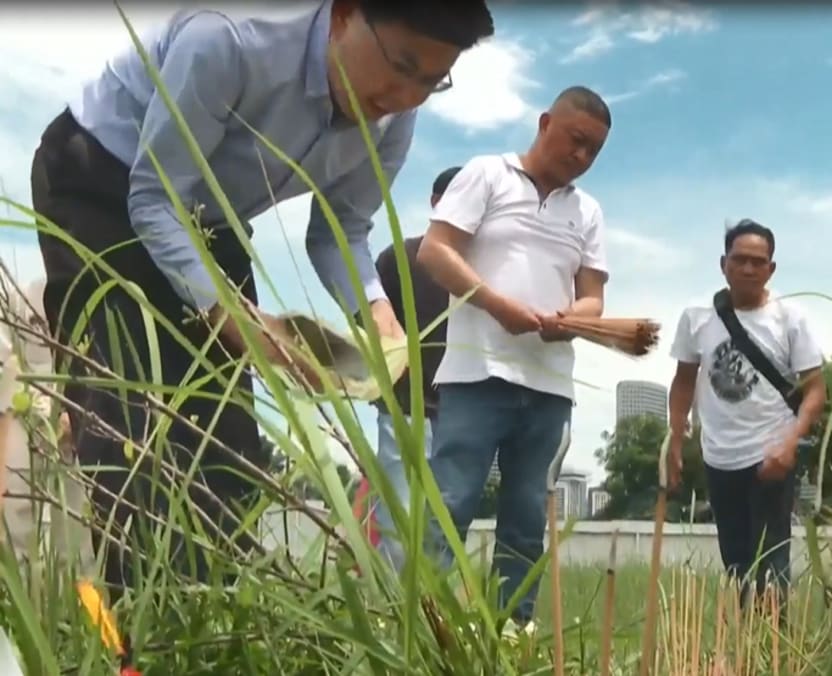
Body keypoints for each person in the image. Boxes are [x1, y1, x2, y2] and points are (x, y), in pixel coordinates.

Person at [30, 0, 494, 599]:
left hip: (210, 212)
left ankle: (219, 612)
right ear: (346, 14)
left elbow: (341, 232)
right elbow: (153, 199)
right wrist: (236, 318)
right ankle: (142, 627)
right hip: (103, 175)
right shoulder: (228, 38)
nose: (404, 94)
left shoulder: (393, 115)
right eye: (400, 65)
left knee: (227, 433)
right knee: (131, 412)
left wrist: (377, 315)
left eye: (430, 81)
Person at [416, 85, 612, 626]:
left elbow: (593, 296)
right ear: (546, 123)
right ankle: (423, 616)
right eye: (576, 141)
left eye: (593, 151)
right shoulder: (487, 173)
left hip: (549, 383)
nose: (581, 158)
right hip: (478, 373)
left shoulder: (588, 211)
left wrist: (573, 320)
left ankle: (512, 627)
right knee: (452, 499)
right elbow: (436, 250)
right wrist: (498, 306)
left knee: (527, 515)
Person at [666, 219, 827, 609]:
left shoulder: (791, 318)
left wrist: (791, 443)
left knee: (772, 565)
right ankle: (746, 650)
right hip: (719, 456)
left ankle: (775, 651)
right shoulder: (697, 316)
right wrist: (675, 436)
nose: (749, 269)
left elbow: (816, 390)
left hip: (772, 453)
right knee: (736, 562)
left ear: (771, 269)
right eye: (740, 260)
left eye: (759, 261)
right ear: (724, 264)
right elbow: (684, 379)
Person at [353, 165, 460, 566]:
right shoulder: (399, 257)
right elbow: (368, 318)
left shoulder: (480, 270)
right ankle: (397, 613)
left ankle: (430, 618)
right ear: (435, 203)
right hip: (405, 409)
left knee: (440, 524)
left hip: (461, 414)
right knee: (401, 519)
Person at [0, 276, 93, 570]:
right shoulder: (22, 292)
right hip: (24, 420)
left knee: (76, 545)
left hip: (76, 423)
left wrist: (73, 412)